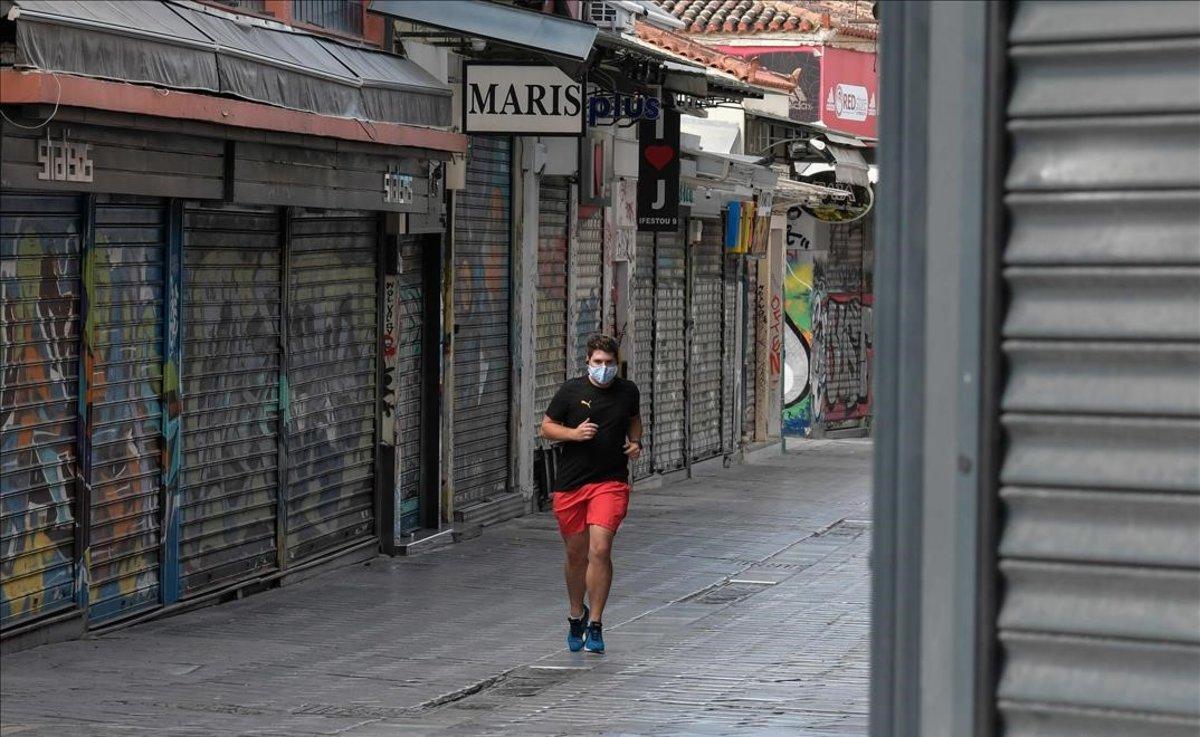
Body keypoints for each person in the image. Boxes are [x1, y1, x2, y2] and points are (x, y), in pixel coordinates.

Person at [540, 334, 642, 654]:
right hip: (571, 484)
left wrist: (636, 443)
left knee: (600, 549)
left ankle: (596, 623)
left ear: (617, 363)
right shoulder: (571, 391)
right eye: (598, 363)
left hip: (610, 483)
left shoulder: (628, 391)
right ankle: (576, 613)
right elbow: (546, 427)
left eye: (609, 363)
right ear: (587, 362)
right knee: (576, 555)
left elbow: (635, 421)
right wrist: (574, 433)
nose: (603, 369)